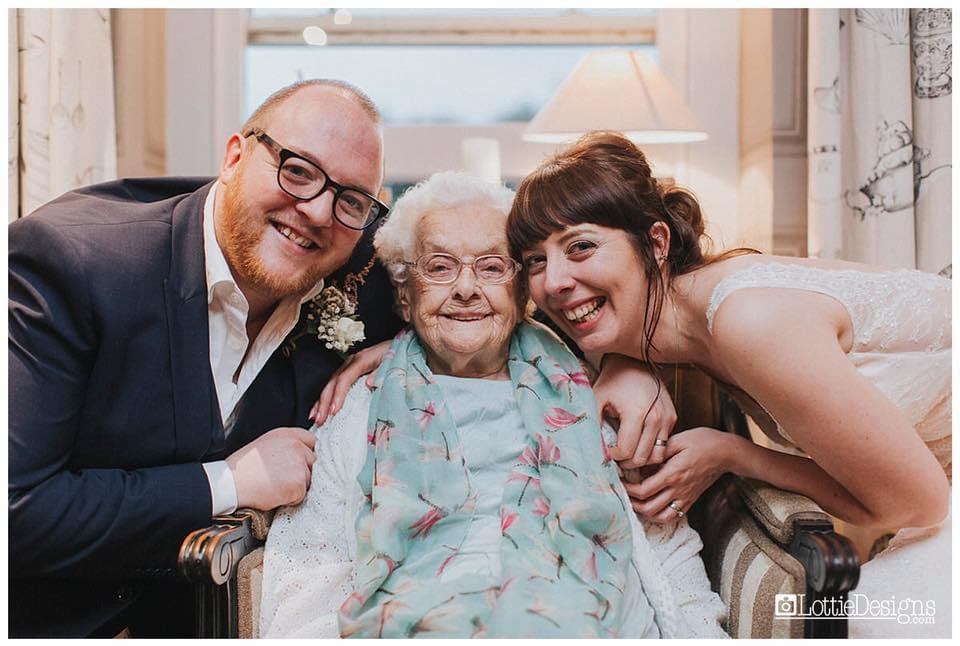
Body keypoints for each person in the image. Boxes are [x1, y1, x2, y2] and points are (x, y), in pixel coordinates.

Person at [506, 131, 952, 637]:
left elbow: (916, 504)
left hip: (932, 502)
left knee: (875, 622)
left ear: (655, 243)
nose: (554, 281)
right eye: (535, 261)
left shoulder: (750, 321)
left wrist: (733, 454)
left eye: (580, 247)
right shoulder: (683, 314)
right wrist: (627, 365)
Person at [8, 79, 404, 637]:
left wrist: (408, 349)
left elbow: (493, 288)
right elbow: (14, 510)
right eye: (296, 170)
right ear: (235, 156)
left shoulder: (359, 261)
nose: (317, 211)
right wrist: (230, 483)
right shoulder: (72, 263)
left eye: (351, 199)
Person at [258, 171, 727, 638]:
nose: (465, 288)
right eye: (440, 267)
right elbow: (306, 582)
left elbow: (668, 551)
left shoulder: (593, 395)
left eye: (491, 267)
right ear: (405, 295)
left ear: (523, 293)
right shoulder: (357, 409)